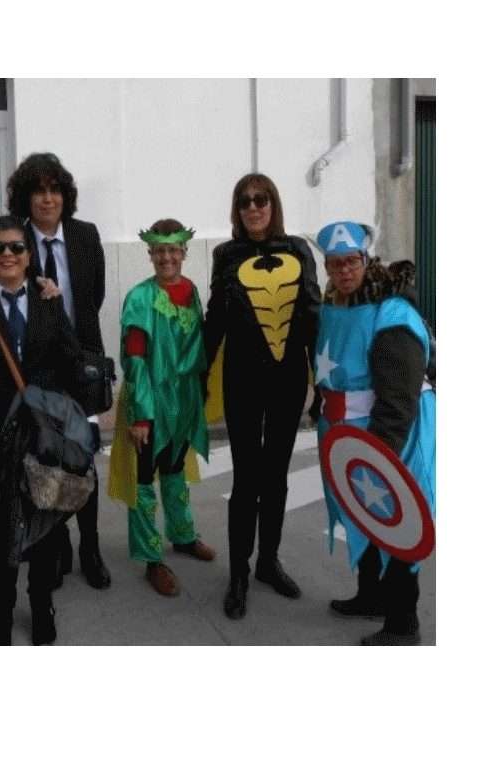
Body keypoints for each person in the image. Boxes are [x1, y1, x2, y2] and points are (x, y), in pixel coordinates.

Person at [0, 215, 86, 645]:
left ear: (29, 255)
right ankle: (1, 616)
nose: (7, 255)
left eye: (16, 247)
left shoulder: (48, 300)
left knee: (45, 529)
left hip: (43, 438)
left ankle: (42, 605)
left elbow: (70, 361)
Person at [203, 173, 320, 619]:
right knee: (246, 479)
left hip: (288, 379)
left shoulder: (298, 250)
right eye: (245, 201)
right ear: (237, 209)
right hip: (242, 379)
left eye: (261, 199)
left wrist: (322, 382)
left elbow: (313, 314)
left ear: (273, 204)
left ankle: (268, 561)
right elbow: (216, 317)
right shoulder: (226, 255)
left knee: (276, 477)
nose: (253, 208)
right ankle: (239, 573)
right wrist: (199, 372)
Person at [314, 220, 435, 645]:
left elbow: (398, 397)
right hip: (350, 434)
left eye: (351, 261)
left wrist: (380, 456)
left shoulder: (392, 314)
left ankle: (403, 623)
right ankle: (372, 596)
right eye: (335, 264)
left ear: (367, 260)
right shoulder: (337, 304)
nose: (344, 270)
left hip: (390, 436)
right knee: (362, 514)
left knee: (396, 517)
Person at [6, 152, 111, 590]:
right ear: (25, 198)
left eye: (54, 190)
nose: (47, 199)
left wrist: (76, 348)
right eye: (38, 191)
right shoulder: (15, 241)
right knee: (44, 456)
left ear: (65, 196)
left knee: (83, 458)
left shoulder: (85, 236)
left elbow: (93, 297)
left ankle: (91, 547)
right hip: (37, 371)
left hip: (78, 366)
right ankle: (58, 541)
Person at [108, 219, 216, 596]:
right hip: (149, 401)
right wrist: (141, 415)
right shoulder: (140, 298)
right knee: (143, 481)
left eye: (173, 250)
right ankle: (152, 558)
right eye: (160, 251)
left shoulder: (192, 291)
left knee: (174, 471)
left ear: (184, 252)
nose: (167, 257)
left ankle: (183, 536)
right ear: (150, 254)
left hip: (182, 402)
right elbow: (135, 358)